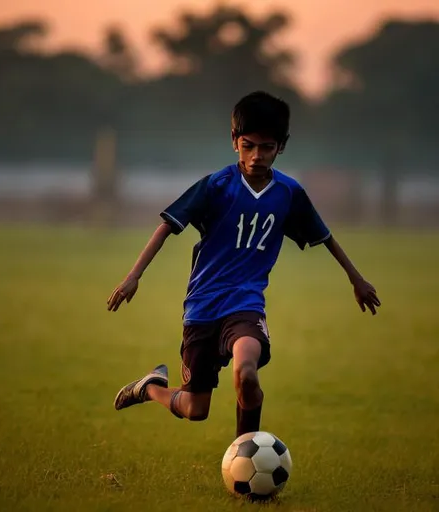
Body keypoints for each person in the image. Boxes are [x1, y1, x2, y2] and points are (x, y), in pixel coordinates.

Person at [107, 91, 381, 438]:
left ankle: (246, 455)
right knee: (195, 410)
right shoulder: (216, 186)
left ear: (281, 146)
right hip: (202, 308)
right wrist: (134, 277)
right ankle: (149, 388)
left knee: (246, 372)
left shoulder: (289, 192)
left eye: (266, 147)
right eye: (248, 145)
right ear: (234, 141)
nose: (256, 156)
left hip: (246, 304)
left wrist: (356, 279)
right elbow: (167, 226)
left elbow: (324, 236)